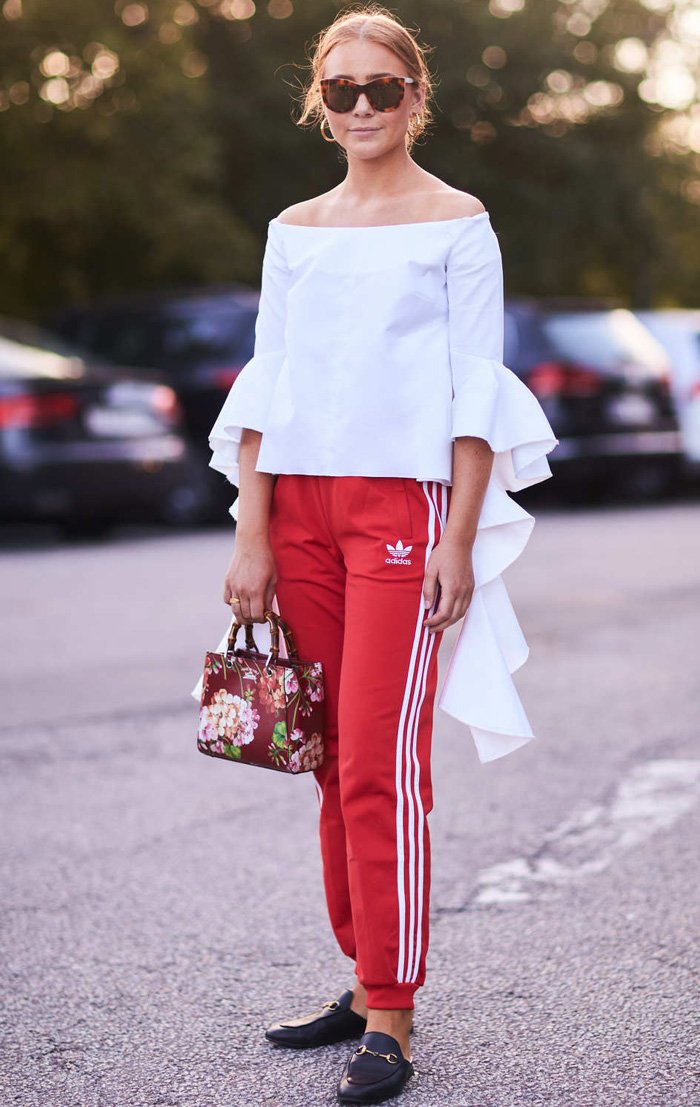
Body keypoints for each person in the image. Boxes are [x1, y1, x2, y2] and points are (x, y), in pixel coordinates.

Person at [197, 5, 558, 1103]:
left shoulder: (459, 221)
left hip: (404, 513)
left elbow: (472, 397)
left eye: (381, 90)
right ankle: (363, 982)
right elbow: (268, 386)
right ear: (319, 100)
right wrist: (253, 529)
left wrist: (455, 535)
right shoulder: (294, 228)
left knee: (382, 760)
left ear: (414, 98)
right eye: (340, 89)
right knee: (326, 757)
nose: (361, 106)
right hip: (297, 506)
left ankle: (392, 1015)